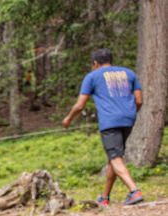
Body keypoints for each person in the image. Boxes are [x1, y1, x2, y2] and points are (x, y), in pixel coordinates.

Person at [62, 48, 144, 206]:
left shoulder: (92, 76)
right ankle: (105, 197)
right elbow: (139, 100)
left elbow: (80, 105)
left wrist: (68, 119)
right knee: (113, 158)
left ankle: (134, 191)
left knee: (114, 157)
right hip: (128, 119)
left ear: (95, 63)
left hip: (110, 121)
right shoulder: (129, 73)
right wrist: (129, 113)